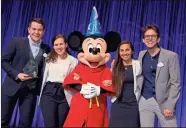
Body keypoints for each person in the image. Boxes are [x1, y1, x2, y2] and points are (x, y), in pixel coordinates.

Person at [1, 18, 50, 127]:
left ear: (44, 32)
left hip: (30, 91)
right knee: (3, 120)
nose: (36, 32)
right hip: (11, 87)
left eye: (39, 30)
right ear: (28, 29)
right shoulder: (17, 42)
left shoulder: (46, 49)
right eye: (34, 29)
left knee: (26, 123)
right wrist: (16, 74)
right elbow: (3, 61)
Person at [138, 24, 181, 127]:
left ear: (158, 39)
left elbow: (176, 83)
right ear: (143, 40)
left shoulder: (171, 56)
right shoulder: (141, 54)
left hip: (164, 102)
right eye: (147, 36)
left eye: (153, 36)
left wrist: (170, 105)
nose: (150, 38)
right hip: (145, 99)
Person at [38, 34, 78, 127]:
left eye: (61, 44)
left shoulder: (73, 61)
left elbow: (74, 80)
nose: (59, 47)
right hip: (49, 92)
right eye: (56, 45)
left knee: (61, 124)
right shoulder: (48, 58)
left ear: (66, 45)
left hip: (64, 93)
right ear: (53, 46)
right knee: (50, 124)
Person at [109, 41, 141, 127]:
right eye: (122, 50)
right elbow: (109, 83)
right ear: (119, 53)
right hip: (118, 105)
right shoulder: (115, 66)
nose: (124, 53)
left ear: (132, 51)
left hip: (133, 106)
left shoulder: (138, 64)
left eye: (127, 50)